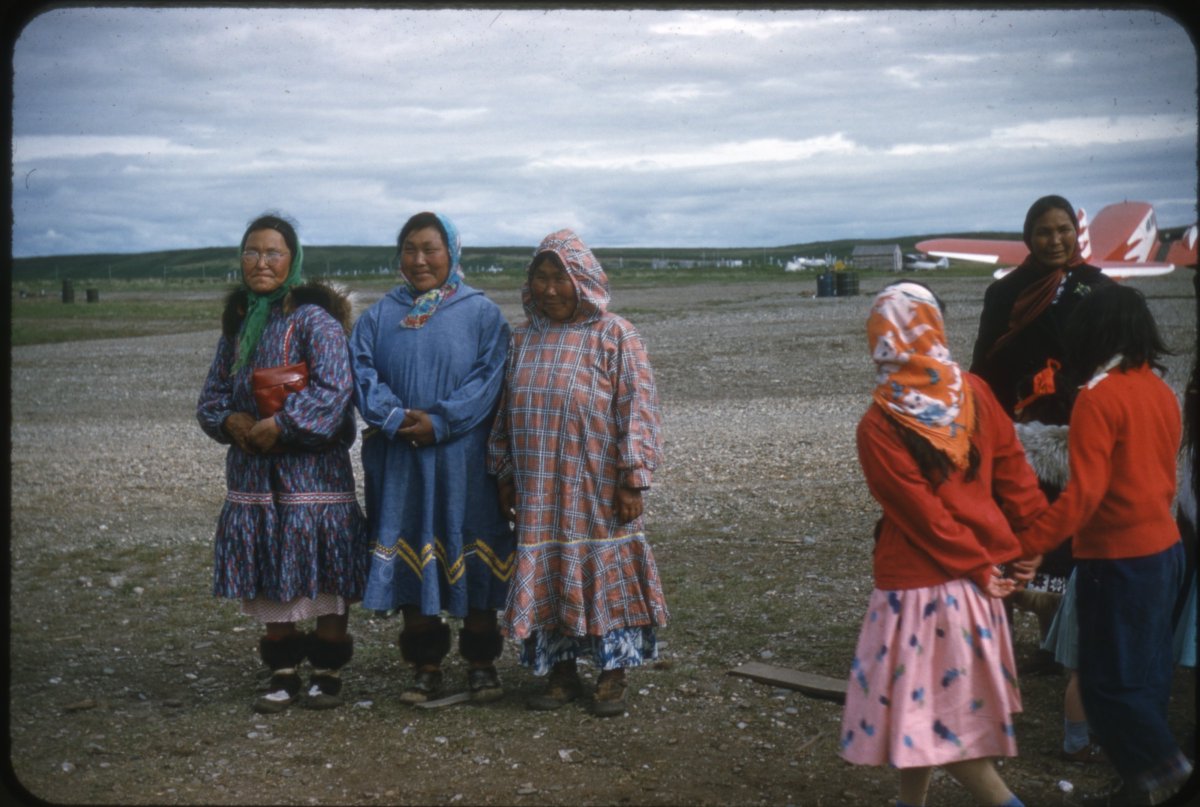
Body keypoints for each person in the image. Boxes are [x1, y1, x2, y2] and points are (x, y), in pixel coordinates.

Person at [840, 281, 1047, 807]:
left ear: (880, 338)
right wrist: (1030, 541)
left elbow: (925, 518)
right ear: (935, 327)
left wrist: (983, 564)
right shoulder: (973, 391)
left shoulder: (878, 424)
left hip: (920, 593)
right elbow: (1015, 471)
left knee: (930, 722)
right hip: (974, 591)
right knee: (924, 713)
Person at [1016, 283, 1191, 805]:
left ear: (1093, 332)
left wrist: (1033, 544)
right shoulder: (1160, 390)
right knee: (1147, 680)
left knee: (1104, 686)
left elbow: (1083, 494)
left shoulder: (1098, 396)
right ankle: (1144, 787)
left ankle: (1172, 777)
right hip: (1166, 549)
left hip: (1118, 560)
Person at [486, 228, 667, 717]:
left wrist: (633, 477)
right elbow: (504, 412)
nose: (550, 289)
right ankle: (561, 673)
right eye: (540, 279)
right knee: (548, 573)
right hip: (538, 488)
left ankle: (612, 674)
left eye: (560, 279)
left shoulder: (615, 334)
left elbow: (638, 409)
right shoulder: (522, 338)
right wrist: (503, 472)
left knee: (604, 573)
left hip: (597, 488)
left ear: (583, 280)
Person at [197, 212, 370, 713]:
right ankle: (283, 670)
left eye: (273, 253)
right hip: (254, 474)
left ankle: (328, 670)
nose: (261, 262)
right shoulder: (238, 325)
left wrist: (282, 425)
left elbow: (336, 390)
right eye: (252, 252)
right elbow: (210, 398)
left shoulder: (315, 320)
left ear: (292, 259)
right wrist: (230, 421)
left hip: (312, 478)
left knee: (325, 573)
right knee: (270, 566)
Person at [350, 211, 514, 704]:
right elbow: (360, 372)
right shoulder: (380, 316)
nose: (419, 259)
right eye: (409, 249)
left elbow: (489, 379)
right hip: (400, 460)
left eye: (430, 248)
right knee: (409, 555)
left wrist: (440, 420)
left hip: (465, 461)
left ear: (453, 253)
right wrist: (395, 417)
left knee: (473, 550)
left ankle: (482, 662)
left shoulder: (483, 313)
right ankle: (424, 664)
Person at [970, 194, 1113, 416]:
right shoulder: (1003, 291)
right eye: (1044, 232)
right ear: (1029, 238)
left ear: (1076, 232)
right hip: (1016, 415)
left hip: (1083, 415)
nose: (1055, 241)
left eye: (1064, 230)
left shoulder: (1102, 288)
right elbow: (984, 362)